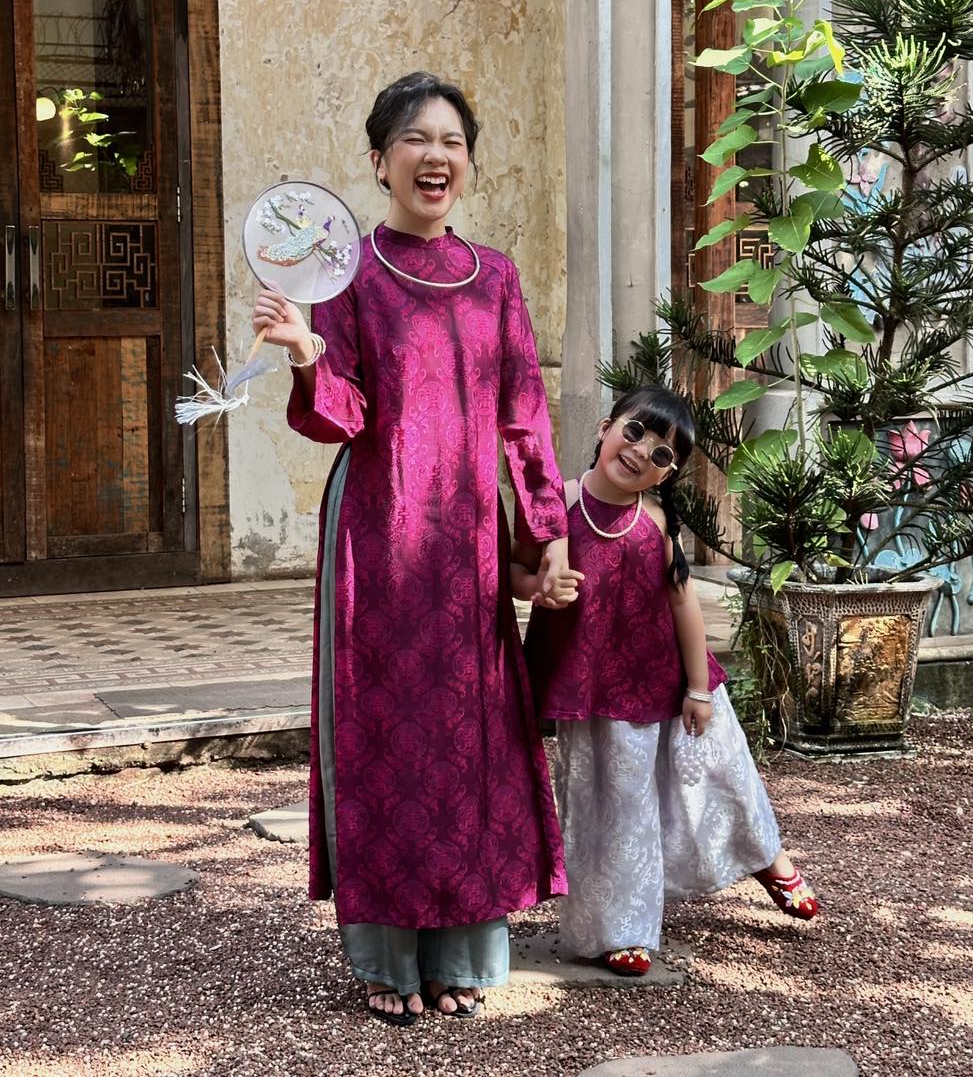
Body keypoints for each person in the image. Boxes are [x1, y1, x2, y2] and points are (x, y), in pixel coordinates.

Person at [253, 72, 577, 1025]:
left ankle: (465, 950)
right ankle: (390, 960)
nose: (436, 156)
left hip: (468, 542)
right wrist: (311, 355)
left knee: (471, 736)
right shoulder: (349, 273)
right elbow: (343, 414)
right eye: (415, 139)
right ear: (379, 161)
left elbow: (525, 418)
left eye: (453, 141)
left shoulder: (497, 276)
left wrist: (548, 534)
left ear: (468, 162)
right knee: (386, 735)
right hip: (380, 532)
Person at [514, 383, 819, 977]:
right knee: (616, 801)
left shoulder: (654, 521)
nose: (640, 452)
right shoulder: (557, 505)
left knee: (726, 772)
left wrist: (700, 687)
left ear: (666, 475)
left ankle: (769, 859)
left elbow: (684, 606)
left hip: (675, 678)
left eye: (661, 453)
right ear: (605, 428)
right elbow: (515, 571)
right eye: (634, 432)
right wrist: (538, 590)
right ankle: (621, 926)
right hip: (599, 690)